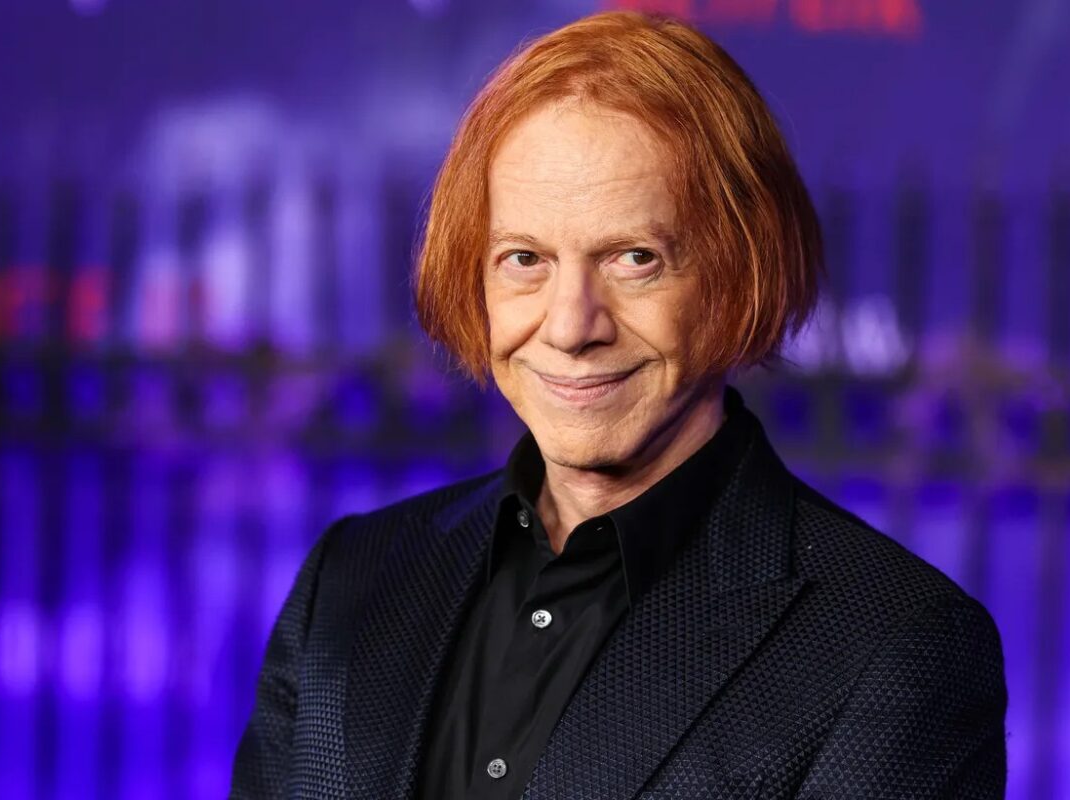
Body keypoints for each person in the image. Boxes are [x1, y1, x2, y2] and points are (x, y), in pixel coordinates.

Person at [231, 10, 1006, 799]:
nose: (571, 326)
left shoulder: (897, 646)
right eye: (524, 259)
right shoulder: (351, 580)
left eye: (636, 259)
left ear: (739, 275)